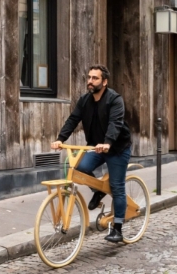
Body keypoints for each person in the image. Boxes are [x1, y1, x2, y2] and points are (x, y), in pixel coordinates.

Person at [51, 64, 132, 243]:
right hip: (95, 147)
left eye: (94, 78)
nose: (90, 81)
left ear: (104, 82)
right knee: (81, 168)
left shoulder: (115, 99)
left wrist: (108, 143)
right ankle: (98, 191)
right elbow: (73, 119)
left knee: (117, 186)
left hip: (117, 148)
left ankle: (117, 229)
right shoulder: (85, 100)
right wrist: (60, 139)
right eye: (89, 77)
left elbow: (115, 123)